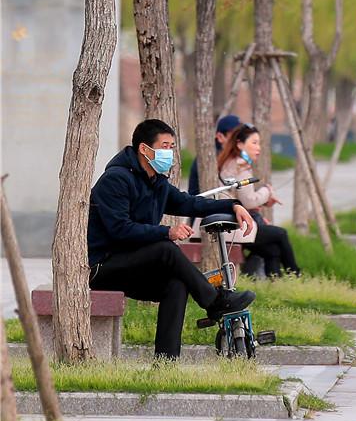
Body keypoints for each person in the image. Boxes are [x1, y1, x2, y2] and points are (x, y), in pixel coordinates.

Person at [87, 119, 256, 360]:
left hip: (130, 264)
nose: (169, 152)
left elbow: (190, 203)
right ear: (144, 149)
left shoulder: (156, 181)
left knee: (176, 284)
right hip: (103, 266)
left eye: (172, 146)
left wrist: (233, 205)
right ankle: (214, 301)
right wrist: (167, 232)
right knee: (165, 248)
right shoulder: (115, 180)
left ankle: (166, 361)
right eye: (164, 146)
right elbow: (120, 230)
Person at [218, 124, 301, 278]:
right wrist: (267, 191)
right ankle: (296, 275)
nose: (259, 148)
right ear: (240, 144)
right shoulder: (239, 165)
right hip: (234, 226)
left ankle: (277, 282)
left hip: (234, 222)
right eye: (254, 143)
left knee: (273, 250)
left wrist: (262, 200)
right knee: (281, 234)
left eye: (259, 143)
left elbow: (243, 199)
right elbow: (249, 201)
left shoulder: (233, 162)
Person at [188, 113, 241, 197]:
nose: (239, 139)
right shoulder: (212, 157)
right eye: (234, 135)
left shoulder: (231, 156)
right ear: (220, 137)